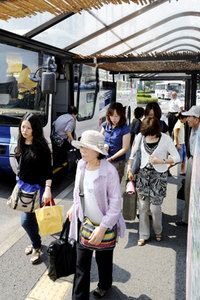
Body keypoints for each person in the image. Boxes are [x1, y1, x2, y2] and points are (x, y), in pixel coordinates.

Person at [66, 130, 125, 300]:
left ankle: (104, 285)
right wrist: (74, 207)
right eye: (81, 146)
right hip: (85, 224)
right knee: (81, 267)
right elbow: (78, 192)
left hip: (104, 226)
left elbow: (115, 206)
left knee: (103, 261)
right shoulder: (81, 165)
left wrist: (103, 228)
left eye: (87, 147)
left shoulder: (109, 172)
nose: (82, 150)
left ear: (97, 150)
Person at [128, 117, 180, 246]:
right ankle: (143, 235)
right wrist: (130, 169)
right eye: (147, 134)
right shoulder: (140, 136)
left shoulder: (166, 139)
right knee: (143, 208)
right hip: (143, 176)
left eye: (152, 134)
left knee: (155, 208)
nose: (149, 136)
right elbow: (132, 154)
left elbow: (177, 157)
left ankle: (158, 230)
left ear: (157, 130)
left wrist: (162, 161)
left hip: (159, 177)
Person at [15, 113, 52, 264]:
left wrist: (48, 189)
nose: (24, 130)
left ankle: (36, 246)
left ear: (35, 129)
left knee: (26, 221)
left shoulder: (42, 147)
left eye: (28, 128)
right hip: (24, 188)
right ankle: (35, 241)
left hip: (37, 191)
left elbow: (48, 171)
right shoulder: (21, 142)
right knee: (32, 220)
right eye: (23, 127)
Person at [176, 105, 200, 226]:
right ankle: (186, 219)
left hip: (198, 163)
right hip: (191, 161)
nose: (187, 119)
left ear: (197, 119)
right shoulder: (192, 129)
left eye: (190, 117)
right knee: (188, 190)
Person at [101, 102, 131, 182]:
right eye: (111, 116)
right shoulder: (105, 125)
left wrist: (111, 158)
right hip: (104, 160)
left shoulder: (125, 129)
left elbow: (125, 148)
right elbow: (100, 139)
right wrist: (103, 146)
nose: (113, 119)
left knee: (114, 187)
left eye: (116, 116)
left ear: (121, 115)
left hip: (117, 162)